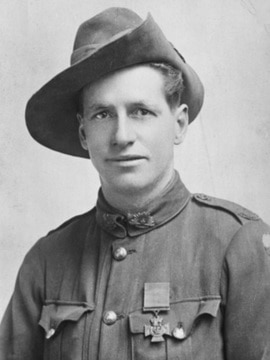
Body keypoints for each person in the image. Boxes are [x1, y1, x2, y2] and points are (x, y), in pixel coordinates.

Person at [0, 7, 270, 360]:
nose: (122, 135)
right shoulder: (46, 262)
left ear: (179, 124)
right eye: (103, 114)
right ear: (84, 133)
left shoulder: (239, 246)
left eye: (141, 111)